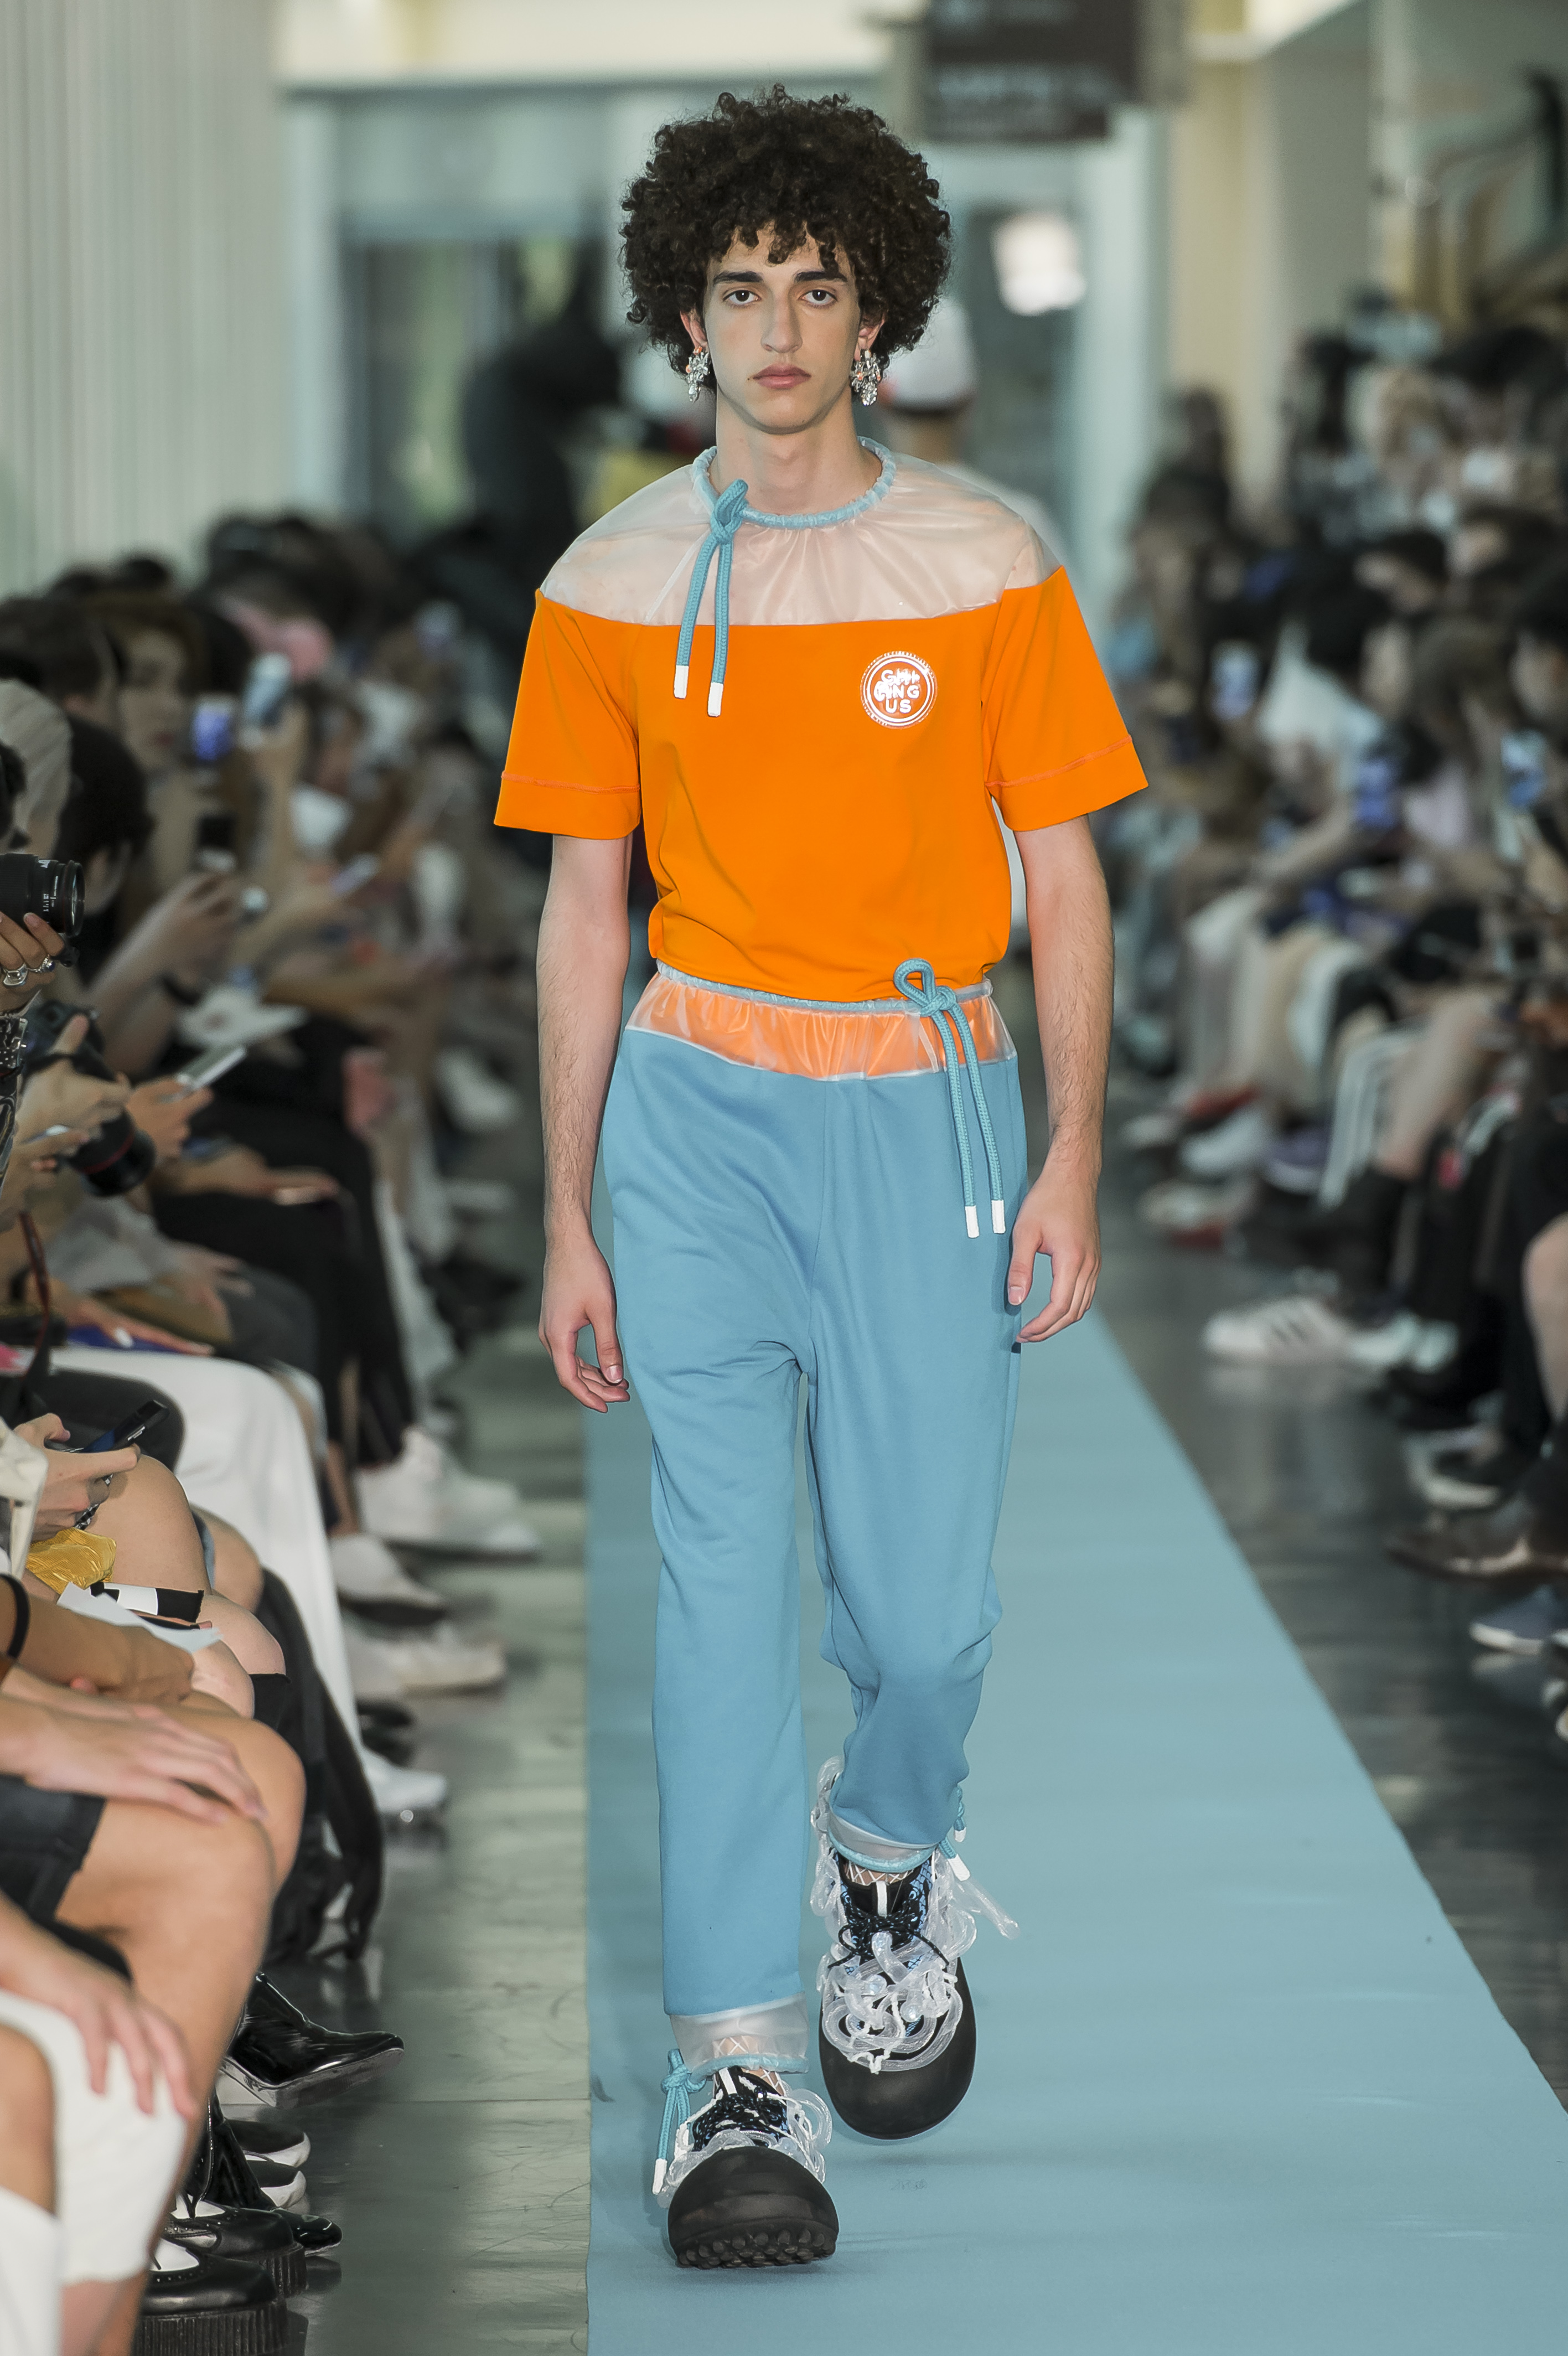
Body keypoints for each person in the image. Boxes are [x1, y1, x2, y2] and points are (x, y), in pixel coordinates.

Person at [501, 86, 1144, 2267]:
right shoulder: (602, 580)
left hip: (927, 1111)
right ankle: (735, 2070)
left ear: (880, 316)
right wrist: (569, 1205)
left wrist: (1072, 1150)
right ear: (681, 315)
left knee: (926, 1614)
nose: (775, 327)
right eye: (738, 286)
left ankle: (887, 1853)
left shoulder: (987, 560)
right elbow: (584, 909)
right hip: (693, 1113)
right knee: (715, 1589)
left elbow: (1065, 875)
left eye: (818, 285)